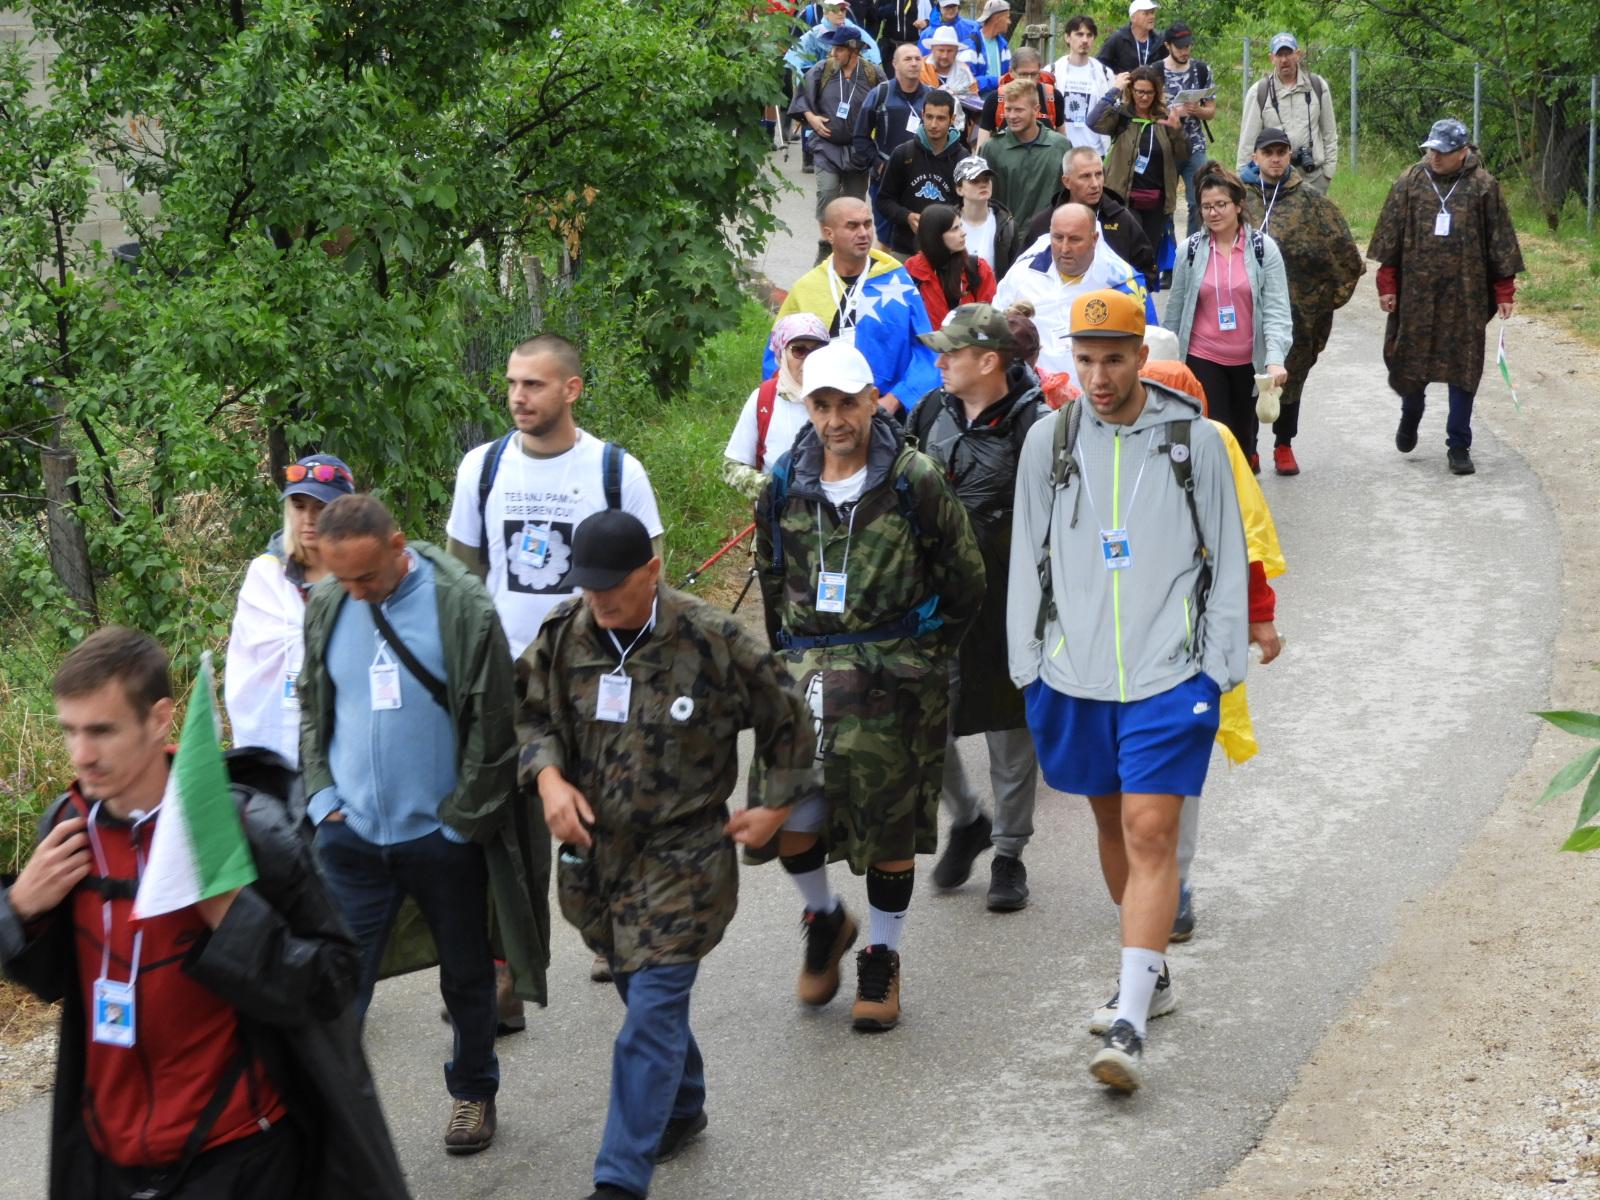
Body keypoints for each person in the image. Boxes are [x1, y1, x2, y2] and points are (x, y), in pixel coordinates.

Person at [1, 625, 410, 1199]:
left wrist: (230, 912)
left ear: (159, 718)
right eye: (68, 730)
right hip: (111, 1164)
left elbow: (333, 982)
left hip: (239, 1160)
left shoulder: (244, 831)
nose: (80, 755)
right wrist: (18, 910)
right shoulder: (67, 831)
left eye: (101, 731)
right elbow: (50, 981)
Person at [517, 511, 817, 1200]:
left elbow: (788, 715)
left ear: (652, 571)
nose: (600, 601)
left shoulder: (713, 639)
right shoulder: (565, 636)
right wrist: (549, 778)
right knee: (636, 985)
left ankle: (619, 1180)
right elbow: (528, 715)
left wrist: (775, 805)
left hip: (684, 853)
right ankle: (681, 1104)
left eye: (614, 587)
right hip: (597, 857)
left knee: (651, 1007)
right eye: (589, 587)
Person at [1007, 288, 1249, 1092]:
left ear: (1142, 357)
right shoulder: (1051, 441)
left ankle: (1130, 1024)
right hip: (1074, 676)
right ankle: (1149, 973)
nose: (1099, 377)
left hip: (1169, 672)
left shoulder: (1194, 440)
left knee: (1151, 834)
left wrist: (1218, 668)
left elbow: (1227, 556)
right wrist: (1027, 666)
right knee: (1113, 829)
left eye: (1113, 360)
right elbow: (1025, 558)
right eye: (1084, 361)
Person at [299, 494, 550, 1156]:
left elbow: (497, 727)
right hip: (351, 837)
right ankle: (324, 1110)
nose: (355, 594)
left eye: (367, 578)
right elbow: (311, 705)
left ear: (398, 545)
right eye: (340, 578)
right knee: (336, 979)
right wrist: (322, 798)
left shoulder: (462, 609)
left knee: (467, 977)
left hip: (441, 835)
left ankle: (473, 1092)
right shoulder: (329, 604)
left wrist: (461, 823)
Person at [755, 341, 985, 1032]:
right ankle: (825, 918)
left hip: (893, 680)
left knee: (888, 828)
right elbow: (771, 578)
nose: (835, 421)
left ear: (870, 400)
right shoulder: (783, 484)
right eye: (821, 406)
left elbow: (965, 577)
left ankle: (881, 958)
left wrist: (922, 655)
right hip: (806, 678)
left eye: (846, 404)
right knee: (790, 824)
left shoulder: (913, 478)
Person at [908, 305, 1048, 911]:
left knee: (1008, 730)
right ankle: (966, 817)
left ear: (988, 361)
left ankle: (1009, 855)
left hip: (1007, 599)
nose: (939, 363)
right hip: (934, 600)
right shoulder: (929, 411)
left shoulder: (1036, 426)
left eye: (951, 353)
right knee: (921, 719)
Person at [446, 334, 665, 662]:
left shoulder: (619, 473)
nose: (518, 397)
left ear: (571, 389)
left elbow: (652, 582)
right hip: (504, 669)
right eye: (512, 384)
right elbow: (460, 577)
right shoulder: (480, 468)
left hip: (591, 667)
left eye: (533, 385)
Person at [1368, 117, 1523, 476]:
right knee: (1410, 359)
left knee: (1463, 367)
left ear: (1463, 151)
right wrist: (1387, 283)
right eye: (1431, 149)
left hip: (1465, 296)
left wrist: (1504, 290)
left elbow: (1500, 240)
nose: (1434, 156)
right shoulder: (1411, 182)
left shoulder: (1484, 187)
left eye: (1442, 151)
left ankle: (1458, 444)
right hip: (1416, 294)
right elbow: (1390, 233)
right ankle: (1411, 415)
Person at [1242, 126, 1364, 476]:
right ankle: (1249, 448)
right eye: (1269, 152)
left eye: (1282, 152)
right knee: (1248, 375)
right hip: (1246, 306)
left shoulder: (1309, 200)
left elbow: (1346, 257)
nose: (1276, 158)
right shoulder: (1240, 197)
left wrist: (1321, 302)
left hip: (1296, 311)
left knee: (1289, 378)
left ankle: (1284, 445)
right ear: (1256, 157)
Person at [1162, 161, 1292, 472]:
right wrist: (1167, 364)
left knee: (1243, 440)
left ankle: (1241, 508)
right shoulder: (1189, 251)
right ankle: (1214, 505)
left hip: (1250, 362)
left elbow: (1276, 310)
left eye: (1220, 204)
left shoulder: (1263, 249)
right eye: (1206, 206)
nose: (1213, 213)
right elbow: (1175, 312)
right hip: (1203, 357)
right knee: (1215, 436)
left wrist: (1274, 358)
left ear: (1238, 206)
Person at [225, 454, 355, 764]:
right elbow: (245, 668)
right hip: (277, 745)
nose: (308, 519)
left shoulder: (360, 577)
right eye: (298, 506)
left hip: (346, 741)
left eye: (320, 508)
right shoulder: (265, 574)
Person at [772, 196, 941, 416]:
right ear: (828, 233)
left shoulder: (897, 282)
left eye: (867, 224)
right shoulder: (807, 289)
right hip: (817, 415)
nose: (863, 233)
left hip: (885, 414)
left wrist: (895, 399)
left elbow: (926, 349)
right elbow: (776, 357)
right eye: (852, 226)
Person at [993, 201, 1153, 383]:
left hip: (1098, 398)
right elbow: (995, 331)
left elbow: (1146, 348)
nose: (1065, 248)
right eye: (1058, 238)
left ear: (1094, 239)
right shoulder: (1021, 275)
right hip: (1036, 397)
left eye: (1075, 239)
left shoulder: (1121, 283)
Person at [1088, 65, 1189, 281]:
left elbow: (1183, 153)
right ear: (1131, 90)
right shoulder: (1121, 115)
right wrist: (1114, 90)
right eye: (1139, 91)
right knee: (1125, 251)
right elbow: (1093, 122)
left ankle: (1143, 303)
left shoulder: (1164, 117)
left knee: (1147, 254)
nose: (1144, 97)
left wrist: (1177, 130)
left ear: (1157, 93)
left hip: (1156, 200)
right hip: (1124, 199)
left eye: (1149, 92)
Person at [792, 22, 887, 252]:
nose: (833, 53)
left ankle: (850, 247)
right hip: (827, 146)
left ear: (854, 50)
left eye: (839, 49)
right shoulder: (822, 69)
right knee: (827, 192)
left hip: (859, 150)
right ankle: (826, 245)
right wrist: (811, 119)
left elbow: (888, 107)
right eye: (833, 48)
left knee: (855, 203)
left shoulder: (873, 74)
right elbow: (801, 96)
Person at [725, 316, 832, 500]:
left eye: (818, 350)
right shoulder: (764, 399)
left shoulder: (843, 398)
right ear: (781, 355)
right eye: (799, 350)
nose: (809, 359)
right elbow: (732, 467)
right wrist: (773, 491)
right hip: (775, 520)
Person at [1021, 145, 1157, 285]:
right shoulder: (1044, 223)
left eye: (1098, 174)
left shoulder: (1122, 219)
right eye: (1085, 176)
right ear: (1066, 181)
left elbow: (1146, 273)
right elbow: (1023, 272)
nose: (1095, 184)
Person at [1237, 33, 1338, 195]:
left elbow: (1329, 133)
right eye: (1279, 55)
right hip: (1275, 180)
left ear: (1298, 54)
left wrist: (1328, 173)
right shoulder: (1259, 92)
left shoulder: (1317, 86)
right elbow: (1248, 141)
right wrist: (1243, 179)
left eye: (1288, 53)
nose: (1284, 60)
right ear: (1272, 58)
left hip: (1314, 176)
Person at [855, 42, 935, 244]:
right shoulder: (879, 94)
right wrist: (878, 165)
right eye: (908, 59)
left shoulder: (932, 97)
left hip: (921, 180)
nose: (915, 63)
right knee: (886, 238)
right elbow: (860, 137)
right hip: (885, 180)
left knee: (921, 238)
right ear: (895, 64)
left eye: (918, 58)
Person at [874, 89, 964, 256]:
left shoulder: (963, 159)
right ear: (922, 115)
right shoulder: (903, 153)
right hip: (905, 249)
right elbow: (884, 200)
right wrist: (907, 216)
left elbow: (966, 207)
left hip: (946, 252)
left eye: (941, 118)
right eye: (929, 117)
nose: (933, 124)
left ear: (952, 119)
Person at [983, 79, 1072, 229]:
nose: (1011, 116)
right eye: (1008, 109)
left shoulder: (1060, 146)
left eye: (1018, 110)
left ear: (1036, 110)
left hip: (1048, 237)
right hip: (1005, 238)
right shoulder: (992, 149)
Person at [1157, 21, 1215, 239]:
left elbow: (1211, 110)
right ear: (1168, 46)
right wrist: (1171, 113)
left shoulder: (1201, 70)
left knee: (1198, 201)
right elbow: (1146, 108)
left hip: (1195, 146)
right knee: (1164, 206)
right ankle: (1170, 261)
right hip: (1165, 146)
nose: (1185, 51)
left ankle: (1193, 251)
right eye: (1180, 47)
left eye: (1188, 46)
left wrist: (1197, 110)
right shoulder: (1156, 71)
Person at [905, 203, 997, 328]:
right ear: (935, 235)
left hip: (968, 345)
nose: (963, 233)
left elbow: (990, 318)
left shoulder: (978, 268)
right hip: (927, 345)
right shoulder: (912, 270)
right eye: (955, 229)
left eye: (961, 226)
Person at [1053, 14, 1116, 154]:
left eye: (1089, 35)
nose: (1085, 40)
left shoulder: (1105, 74)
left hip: (1096, 152)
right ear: (1067, 37)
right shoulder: (1052, 71)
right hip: (1063, 152)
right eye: (1079, 34)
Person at [976, 47, 1065, 145]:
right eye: (1023, 74)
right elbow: (981, 146)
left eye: (1033, 74)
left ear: (1040, 72)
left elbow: (1062, 139)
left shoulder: (1053, 97)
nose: (1029, 80)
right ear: (1011, 72)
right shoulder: (995, 99)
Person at [953, 154, 1020, 276]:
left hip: (995, 294)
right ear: (959, 189)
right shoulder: (946, 224)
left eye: (987, 179)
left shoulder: (1007, 226)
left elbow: (1014, 273)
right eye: (974, 180)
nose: (983, 184)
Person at [920, 24, 980, 132]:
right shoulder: (921, 69)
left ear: (957, 51)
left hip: (958, 132)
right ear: (932, 49)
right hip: (926, 128)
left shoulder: (965, 72)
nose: (945, 55)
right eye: (941, 50)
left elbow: (974, 102)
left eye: (950, 51)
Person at [1096, 0, 1165, 76]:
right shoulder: (1118, 38)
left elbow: (1169, 65)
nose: (1152, 17)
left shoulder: (1159, 40)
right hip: (1126, 86)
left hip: (1152, 86)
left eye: (1152, 13)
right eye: (1146, 13)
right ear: (1133, 18)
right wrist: (1114, 78)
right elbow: (1099, 64)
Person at [966, 0, 1013, 95]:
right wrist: (997, 81)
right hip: (977, 106)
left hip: (1000, 101)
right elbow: (967, 82)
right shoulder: (971, 45)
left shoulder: (1004, 46)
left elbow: (1009, 75)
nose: (1009, 22)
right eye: (1007, 18)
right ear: (997, 18)